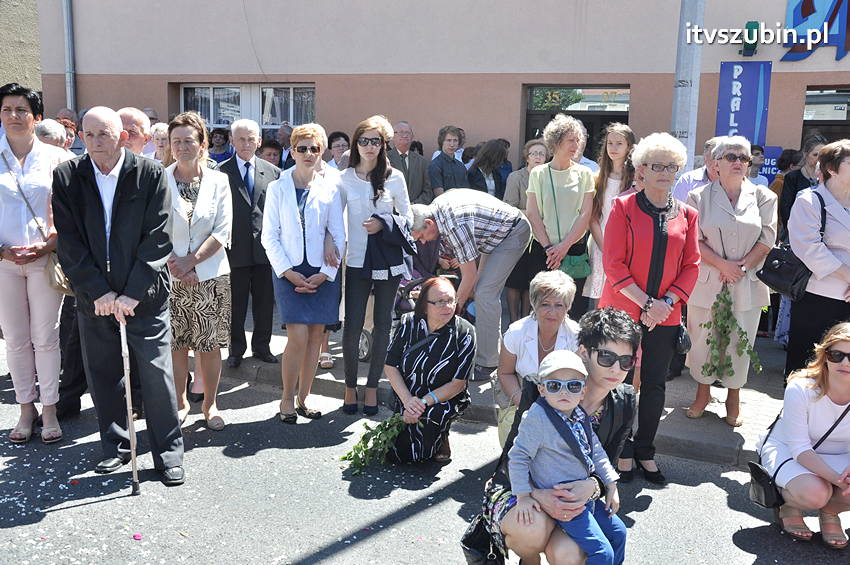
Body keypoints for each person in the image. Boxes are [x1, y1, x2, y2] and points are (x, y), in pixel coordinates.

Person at [52, 106, 184, 485]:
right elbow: (71, 242)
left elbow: (158, 236)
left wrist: (131, 293)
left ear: (123, 137)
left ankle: (169, 453)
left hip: (145, 295)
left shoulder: (150, 174)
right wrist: (100, 291)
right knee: (104, 373)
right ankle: (116, 446)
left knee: (156, 375)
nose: (95, 142)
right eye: (88, 134)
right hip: (96, 298)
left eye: (104, 134)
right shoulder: (68, 176)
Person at [486, 307, 640, 565]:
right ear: (583, 353)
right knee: (531, 530)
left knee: (572, 553)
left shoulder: (624, 400)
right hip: (523, 490)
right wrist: (535, 494)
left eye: (626, 361)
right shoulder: (544, 388)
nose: (616, 368)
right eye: (606, 357)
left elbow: (606, 461)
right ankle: (530, 559)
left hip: (573, 499)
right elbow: (515, 457)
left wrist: (594, 487)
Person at [599, 132, 700, 484]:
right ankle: (619, 448)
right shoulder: (623, 207)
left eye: (671, 167)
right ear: (641, 169)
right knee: (619, 381)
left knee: (656, 384)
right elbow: (613, 264)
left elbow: (691, 266)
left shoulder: (688, 214)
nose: (664, 172)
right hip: (624, 310)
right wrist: (646, 304)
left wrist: (666, 304)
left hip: (666, 315)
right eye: (656, 166)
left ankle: (645, 450)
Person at [685, 136, 777, 427]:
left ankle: (733, 397)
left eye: (744, 158)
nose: (738, 162)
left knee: (740, 339)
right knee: (703, 339)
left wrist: (740, 267)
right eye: (731, 157)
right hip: (708, 280)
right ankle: (702, 393)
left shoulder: (764, 197)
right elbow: (692, 241)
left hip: (746, 281)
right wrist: (722, 265)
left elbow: (768, 239)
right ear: (716, 164)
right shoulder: (698, 197)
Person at [508, 349, 625, 565]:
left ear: (582, 391)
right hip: (564, 503)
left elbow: (596, 450)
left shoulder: (579, 415)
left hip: (583, 498)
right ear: (542, 390)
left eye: (573, 385)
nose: (564, 392)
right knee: (602, 553)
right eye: (554, 385)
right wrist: (523, 497)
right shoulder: (537, 417)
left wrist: (610, 482)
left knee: (620, 533)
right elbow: (518, 457)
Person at [0, 83, 69, 444]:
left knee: (45, 337)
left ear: (37, 117)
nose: (14, 116)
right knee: (15, 339)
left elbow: (71, 213)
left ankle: (50, 408)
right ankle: (25, 408)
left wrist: (50, 243)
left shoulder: (57, 159)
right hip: (3, 262)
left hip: (45, 260)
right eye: (7, 109)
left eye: (21, 110)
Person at [263, 123, 345, 423]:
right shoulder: (277, 187)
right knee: (296, 336)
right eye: (302, 148)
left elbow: (338, 235)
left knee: (314, 338)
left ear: (321, 151)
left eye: (314, 148)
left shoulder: (330, 188)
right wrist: (288, 272)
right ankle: (286, 398)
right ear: (292, 151)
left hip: (322, 273)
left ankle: (303, 399)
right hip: (289, 271)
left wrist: (325, 273)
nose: (308, 153)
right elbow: (268, 235)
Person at [410, 189, 531, 382]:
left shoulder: (454, 225)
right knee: (478, 291)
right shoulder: (436, 209)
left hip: (512, 231)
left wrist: (451, 310)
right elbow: (470, 274)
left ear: (429, 223)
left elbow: (469, 274)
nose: (423, 242)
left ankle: (488, 362)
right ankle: (493, 350)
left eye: (421, 236)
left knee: (485, 294)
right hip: (492, 236)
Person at [164, 111, 233, 430]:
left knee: (209, 345)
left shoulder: (219, 181)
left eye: (189, 140)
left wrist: (191, 261)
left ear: (202, 143)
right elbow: (151, 229)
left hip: (211, 276)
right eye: (176, 141)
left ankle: (210, 404)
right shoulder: (159, 179)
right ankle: (179, 402)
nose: (182, 146)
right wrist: (177, 264)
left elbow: (222, 230)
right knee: (177, 344)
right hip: (171, 276)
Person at [339, 115, 412, 415]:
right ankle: (349, 387)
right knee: (352, 325)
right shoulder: (343, 178)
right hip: (354, 260)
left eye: (375, 141)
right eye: (364, 141)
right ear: (356, 144)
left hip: (387, 261)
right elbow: (332, 220)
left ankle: (372, 388)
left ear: (384, 145)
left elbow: (408, 217)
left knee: (383, 325)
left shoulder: (395, 177)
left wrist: (384, 223)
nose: (369, 147)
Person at [758, 322, 850, 549]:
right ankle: (788, 505)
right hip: (790, 450)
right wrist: (838, 480)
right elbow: (800, 448)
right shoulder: (801, 388)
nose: (845, 362)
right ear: (824, 355)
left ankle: (830, 511)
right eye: (837, 355)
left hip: (839, 454)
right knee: (816, 493)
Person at [385, 276, 476, 463]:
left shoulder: (465, 333)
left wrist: (423, 403)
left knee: (424, 448)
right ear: (425, 305)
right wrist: (408, 400)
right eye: (440, 302)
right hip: (408, 394)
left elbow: (458, 384)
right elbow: (390, 365)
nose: (448, 307)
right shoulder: (408, 323)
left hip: (442, 399)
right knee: (399, 454)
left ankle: (441, 433)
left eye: (451, 300)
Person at [785, 139, 850, 378]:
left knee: (842, 373)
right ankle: (796, 413)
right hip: (819, 295)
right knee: (808, 368)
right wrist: (847, 275)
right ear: (831, 169)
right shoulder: (810, 200)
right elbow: (809, 248)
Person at [219, 119, 280, 369]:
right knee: (236, 304)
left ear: (259, 141)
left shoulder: (274, 172)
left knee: (265, 303)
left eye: (251, 138)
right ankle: (236, 349)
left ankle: (262, 347)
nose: (246, 143)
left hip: (266, 251)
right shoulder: (220, 172)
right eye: (241, 139)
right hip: (234, 251)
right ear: (232, 141)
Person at [498, 270, 580, 446]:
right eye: (545, 304)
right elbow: (505, 373)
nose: (552, 312)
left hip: (564, 403)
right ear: (534, 304)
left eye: (559, 305)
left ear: (568, 306)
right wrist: (524, 404)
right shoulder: (515, 332)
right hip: (522, 399)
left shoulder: (577, 336)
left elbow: (581, 382)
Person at [526, 113, 595, 320]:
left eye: (578, 140)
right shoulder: (538, 173)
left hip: (573, 249)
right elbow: (533, 213)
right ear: (556, 141)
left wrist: (563, 247)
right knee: (543, 308)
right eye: (571, 140)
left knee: (573, 311)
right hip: (543, 251)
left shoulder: (585, 174)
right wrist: (549, 248)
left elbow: (586, 213)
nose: (576, 145)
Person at [584, 123, 635, 303]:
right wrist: (605, 247)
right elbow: (593, 216)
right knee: (598, 299)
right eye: (610, 143)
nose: (613, 148)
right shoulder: (596, 177)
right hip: (600, 243)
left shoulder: (636, 179)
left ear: (629, 146)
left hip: (628, 245)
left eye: (619, 143)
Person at [504, 139, 549, 323]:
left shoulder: (549, 178)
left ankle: (528, 319)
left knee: (533, 280)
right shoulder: (516, 177)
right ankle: (514, 320)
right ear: (527, 157)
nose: (538, 157)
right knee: (516, 281)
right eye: (534, 153)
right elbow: (509, 207)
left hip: (541, 237)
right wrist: (534, 215)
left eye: (542, 154)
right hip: (519, 233)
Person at [779, 135, 827, 230]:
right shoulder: (793, 177)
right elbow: (785, 207)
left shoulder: (828, 179)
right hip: (797, 230)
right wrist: (793, 229)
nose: (819, 159)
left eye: (823, 156)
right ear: (805, 154)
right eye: (815, 155)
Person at [388, 121, 432, 204]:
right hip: (391, 212)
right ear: (393, 136)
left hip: (416, 210)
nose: (405, 135)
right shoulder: (385, 159)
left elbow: (428, 191)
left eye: (408, 132)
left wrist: (414, 204)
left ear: (412, 137)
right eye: (401, 132)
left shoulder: (422, 162)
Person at [671, 136, 723, 203]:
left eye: (720, 159)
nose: (717, 164)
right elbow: (677, 210)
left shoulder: (734, 181)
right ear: (705, 159)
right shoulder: (688, 180)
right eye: (713, 159)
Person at [428, 125, 468, 196]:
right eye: (448, 140)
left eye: (455, 140)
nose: (452, 144)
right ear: (442, 142)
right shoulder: (435, 165)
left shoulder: (461, 166)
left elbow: (466, 191)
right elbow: (439, 194)